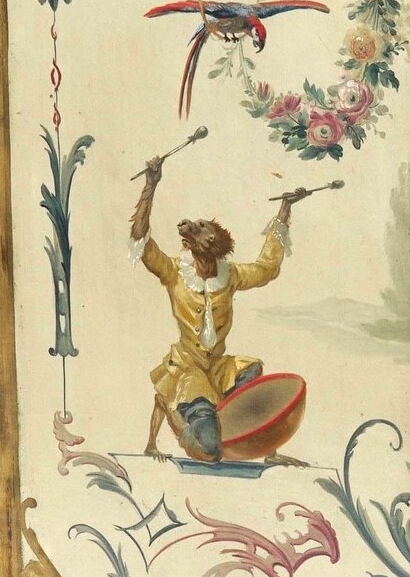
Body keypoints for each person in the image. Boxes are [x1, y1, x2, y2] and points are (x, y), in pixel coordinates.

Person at [130, 154, 310, 459]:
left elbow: (267, 268)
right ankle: (173, 410)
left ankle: (263, 447)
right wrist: (150, 186)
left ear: (214, 239)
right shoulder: (174, 272)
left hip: (219, 368)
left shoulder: (231, 275)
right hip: (190, 372)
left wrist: (284, 210)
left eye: (201, 227)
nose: (191, 227)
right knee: (210, 451)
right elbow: (142, 243)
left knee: (251, 371)